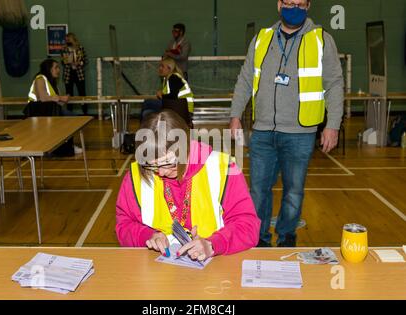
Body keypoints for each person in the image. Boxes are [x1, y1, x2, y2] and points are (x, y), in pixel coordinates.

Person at [229, 0, 344, 247]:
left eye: (300, 4)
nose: (295, 8)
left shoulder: (322, 39)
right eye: (290, 2)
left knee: (294, 192)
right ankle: (258, 239)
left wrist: (332, 124)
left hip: (300, 133)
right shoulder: (262, 38)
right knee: (258, 191)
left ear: (309, 5)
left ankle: (286, 237)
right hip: (262, 131)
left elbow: (334, 84)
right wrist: (235, 113)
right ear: (279, 5)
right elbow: (246, 77)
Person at [116, 110, 260, 261]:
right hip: (157, 270)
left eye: (169, 163)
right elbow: (124, 224)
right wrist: (147, 236)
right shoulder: (137, 175)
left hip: (217, 266)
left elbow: (248, 226)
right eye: (153, 166)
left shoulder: (223, 169)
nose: (161, 172)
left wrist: (212, 244)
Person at [25, 58, 82, 156]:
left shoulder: (52, 82)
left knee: (73, 117)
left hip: (49, 110)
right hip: (37, 111)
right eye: (56, 68)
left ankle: (66, 146)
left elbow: (55, 100)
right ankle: (65, 148)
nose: (58, 70)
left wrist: (63, 99)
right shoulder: (40, 79)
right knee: (68, 118)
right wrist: (60, 98)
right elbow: (43, 98)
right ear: (49, 69)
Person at [140, 57, 194, 125]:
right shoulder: (169, 78)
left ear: (169, 68)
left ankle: (141, 131)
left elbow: (173, 96)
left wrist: (161, 95)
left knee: (147, 102)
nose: (160, 68)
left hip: (181, 109)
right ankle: (146, 131)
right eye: (160, 66)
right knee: (147, 113)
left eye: (162, 66)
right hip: (176, 107)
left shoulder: (174, 77)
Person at [61, 33, 88, 115]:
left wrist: (79, 63)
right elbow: (63, 61)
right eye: (66, 40)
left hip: (79, 74)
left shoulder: (80, 48)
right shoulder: (64, 49)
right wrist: (68, 62)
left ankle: (85, 112)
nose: (67, 41)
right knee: (69, 95)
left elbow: (85, 60)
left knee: (82, 94)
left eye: (69, 39)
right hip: (68, 74)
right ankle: (69, 113)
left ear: (73, 39)